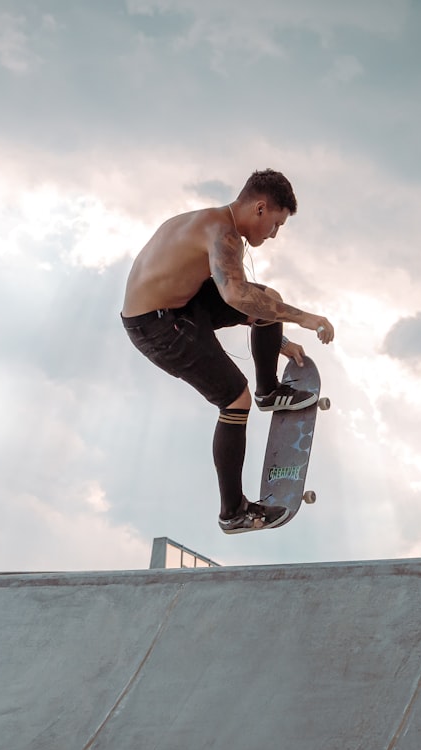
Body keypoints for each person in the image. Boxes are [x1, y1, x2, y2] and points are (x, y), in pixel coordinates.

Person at [121, 169, 335, 534]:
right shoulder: (222, 234)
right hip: (156, 324)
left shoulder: (210, 221)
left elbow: (232, 296)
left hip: (183, 305)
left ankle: (270, 390)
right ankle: (233, 512)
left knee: (268, 300)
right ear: (261, 208)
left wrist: (278, 343)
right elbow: (235, 295)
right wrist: (304, 318)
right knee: (235, 399)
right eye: (276, 225)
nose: (274, 235)